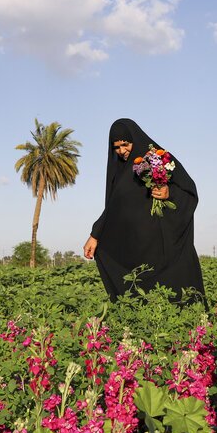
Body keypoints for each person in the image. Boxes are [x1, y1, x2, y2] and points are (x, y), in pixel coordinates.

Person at [83, 119, 204, 302]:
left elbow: (189, 190)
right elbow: (114, 208)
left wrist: (168, 193)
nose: (122, 151)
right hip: (135, 246)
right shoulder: (119, 172)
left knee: (172, 290)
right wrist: (95, 234)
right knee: (138, 291)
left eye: (125, 144)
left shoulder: (158, 158)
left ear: (135, 139)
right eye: (116, 147)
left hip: (161, 242)